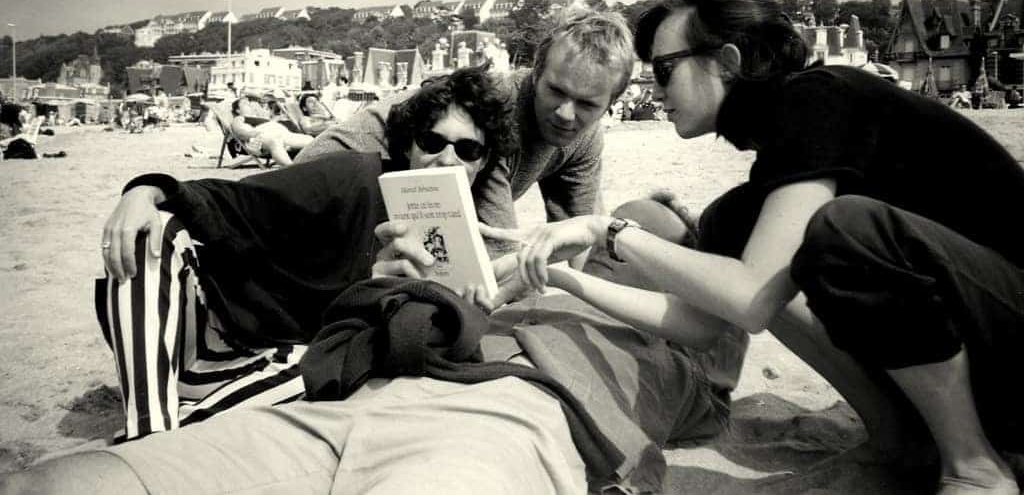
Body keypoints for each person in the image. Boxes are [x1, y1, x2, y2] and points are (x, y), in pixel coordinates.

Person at [485, 0, 1024, 494]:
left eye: (665, 69)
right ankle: (897, 441)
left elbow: (747, 299)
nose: (655, 86)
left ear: (727, 61)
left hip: (1011, 335)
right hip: (970, 353)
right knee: (741, 231)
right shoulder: (772, 169)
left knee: (845, 231)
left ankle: (974, 467)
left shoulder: (820, 95)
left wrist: (608, 229)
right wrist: (564, 277)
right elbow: (700, 325)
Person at [3, 185, 741, 495]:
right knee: (66, 483)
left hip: (509, 421)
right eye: (605, 238)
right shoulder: (530, 293)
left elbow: (727, 317)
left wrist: (593, 257)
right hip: (363, 392)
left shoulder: (681, 352)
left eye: (634, 247)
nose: (605, 249)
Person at [91, 64, 518, 443]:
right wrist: (146, 189)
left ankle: (177, 425)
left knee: (346, 382)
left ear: (481, 163)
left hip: (276, 368)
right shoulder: (353, 177)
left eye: (467, 150)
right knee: (156, 228)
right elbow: (234, 202)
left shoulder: (463, 245)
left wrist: (388, 292)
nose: (446, 160)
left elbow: (377, 353)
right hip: (192, 326)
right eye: (432, 141)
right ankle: (147, 433)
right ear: (409, 145)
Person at [297, 10, 636, 256]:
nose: (565, 114)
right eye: (556, 91)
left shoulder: (587, 139)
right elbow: (498, 248)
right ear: (535, 73)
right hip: (330, 185)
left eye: (586, 104)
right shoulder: (499, 106)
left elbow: (579, 235)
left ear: (611, 102)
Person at [229, 96, 313, 166]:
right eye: (245, 104)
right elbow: (239, 130)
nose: (250, 105)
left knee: (310, 139)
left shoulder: (262, 118)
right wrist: (253, 134)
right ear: (238, 110)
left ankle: (314, 162)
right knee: (274, 141)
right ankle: (292, 168)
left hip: (283, 135)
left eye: (250, 103)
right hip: (262, 138)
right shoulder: (239, 118)